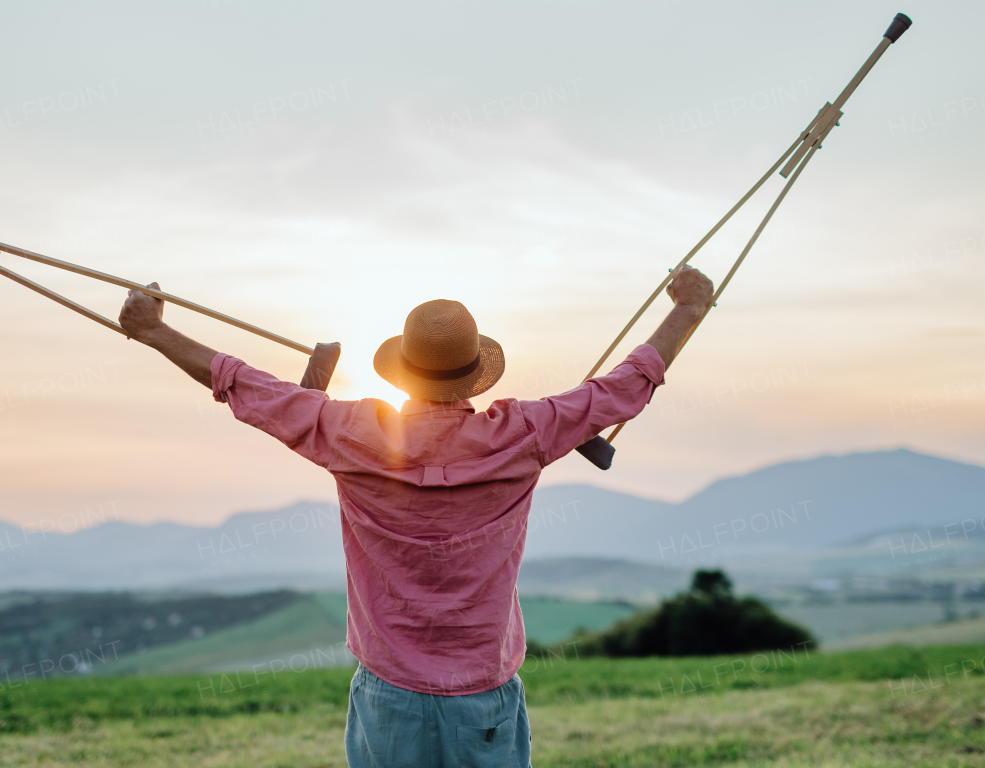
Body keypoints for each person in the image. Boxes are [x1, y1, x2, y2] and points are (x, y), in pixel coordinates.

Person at [118, 265, 714, 768]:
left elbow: (241, 384)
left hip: (389, 699)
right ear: (474, 367)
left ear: (401, 368)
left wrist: (153, 331)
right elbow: (626, 385)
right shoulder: (526, 434)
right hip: (483, 698)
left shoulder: (349, 434)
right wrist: (690, 307)